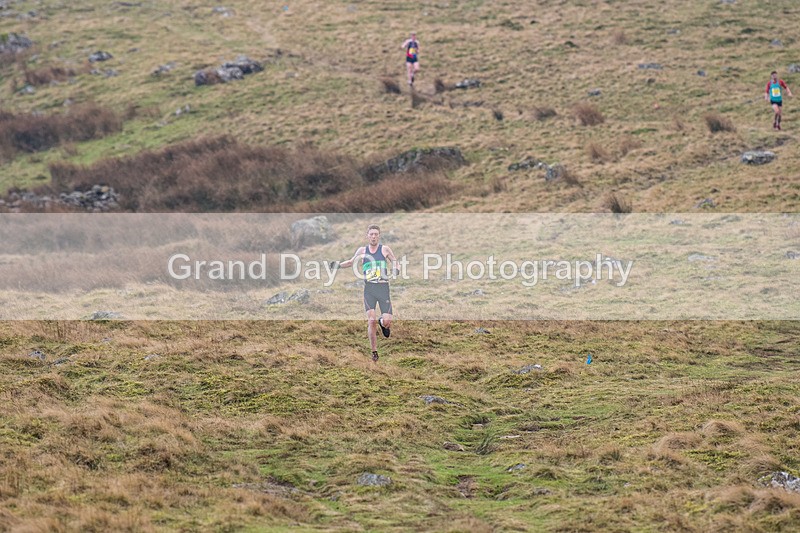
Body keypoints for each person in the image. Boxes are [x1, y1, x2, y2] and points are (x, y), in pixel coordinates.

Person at [332, 224, 399, 362]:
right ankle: (374, 351)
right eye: (371, 234)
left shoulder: (384, 249)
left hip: (383, 289)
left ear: (379, 235)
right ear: (367, 236)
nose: (373, 236)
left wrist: (396, 269)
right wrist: (337, 265)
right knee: (371, 320)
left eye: (376, 234)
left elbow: (395, 261)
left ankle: (383, 323)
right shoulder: (362, 250)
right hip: (369, 290)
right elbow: (351, 262)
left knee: (386, 321)